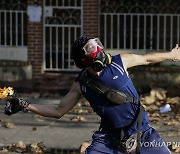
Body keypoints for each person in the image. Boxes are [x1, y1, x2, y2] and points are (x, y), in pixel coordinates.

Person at [4, 36, 180, 154]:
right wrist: (26, 105)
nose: (99, 48)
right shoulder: (81, 84)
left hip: (143, 134)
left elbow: (147, 58)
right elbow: (58, 110)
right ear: (83, 59)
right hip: (109, 140)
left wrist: (172, 55)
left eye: (96, 44)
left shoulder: (120, 62)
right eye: (91, 47)